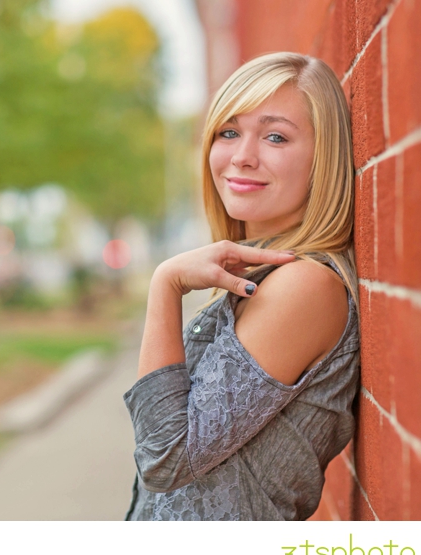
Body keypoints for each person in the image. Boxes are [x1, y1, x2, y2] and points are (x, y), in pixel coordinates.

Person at [124, 52, 360, 521]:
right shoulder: (261, 275)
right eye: (229, 132)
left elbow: (166, 458)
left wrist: (164, 285)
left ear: (324, 159)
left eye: (275, 137)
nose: (242, 156)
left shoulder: (303, 286)